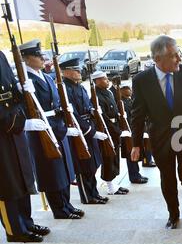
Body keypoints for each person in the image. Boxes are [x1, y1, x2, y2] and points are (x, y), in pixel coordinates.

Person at [131, 35, 182, 229]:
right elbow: (138, 115)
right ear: (157, 59)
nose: (178, 59)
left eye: (178, 53)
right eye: (174, 56)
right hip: (160, 139)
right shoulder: (141, 81)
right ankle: (173, 213)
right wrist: (136, 144)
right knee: (168, 178)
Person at [20, 39, 84, 219]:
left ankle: (67, 204)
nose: (42, 58)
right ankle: (59, 209)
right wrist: (21, 92)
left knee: (64, 169)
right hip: (42, 130)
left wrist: (65, 113)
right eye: (37, 55)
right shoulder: (25, 80)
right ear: (25, 58)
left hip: (57, 127)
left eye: (42, 55)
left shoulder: (46, 76)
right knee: (51, 172)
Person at [0, 49, 49, 242]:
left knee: (22, 175)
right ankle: (15, 229)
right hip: (3, 128)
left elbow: (9, 88)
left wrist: (20, 91)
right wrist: (19, 123)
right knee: (7, 182)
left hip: (13, 122)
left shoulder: (1, 55)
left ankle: (26, 222)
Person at [61, 58, 109, 205]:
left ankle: (94, 192)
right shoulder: (65, 89)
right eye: (75, 70)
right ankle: (87, 196)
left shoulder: (80, 87)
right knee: (83, 165)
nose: (79, 72)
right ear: (66, 72)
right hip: (79, 129)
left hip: (88, 125)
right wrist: (89, 130)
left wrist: (93, 111)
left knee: (92, 163)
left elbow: (87, 105)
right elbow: (72, 114)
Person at [92, 71, 129, 196]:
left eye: (107, 79)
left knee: (114, 157)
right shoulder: (96, 96)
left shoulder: (108, 93)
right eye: (104, 79)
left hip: (115, 127)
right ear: (97, 81)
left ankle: (113, 183)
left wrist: (121, 117)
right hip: (107, 129)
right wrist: (116, 130)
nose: (107, 81)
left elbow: (115, 109)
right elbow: (103, 117)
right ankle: (110, 186)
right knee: (108, 157)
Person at [120, 84, 149, 184]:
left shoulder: (129, 100)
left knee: (135, 154)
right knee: (130, 155)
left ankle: (137, 174)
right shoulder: (121, 102)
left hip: (133, 130)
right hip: (128, 132)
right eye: (127, 89)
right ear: (121, 91)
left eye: (130, 88)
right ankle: (134, 176)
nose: (130, 90)